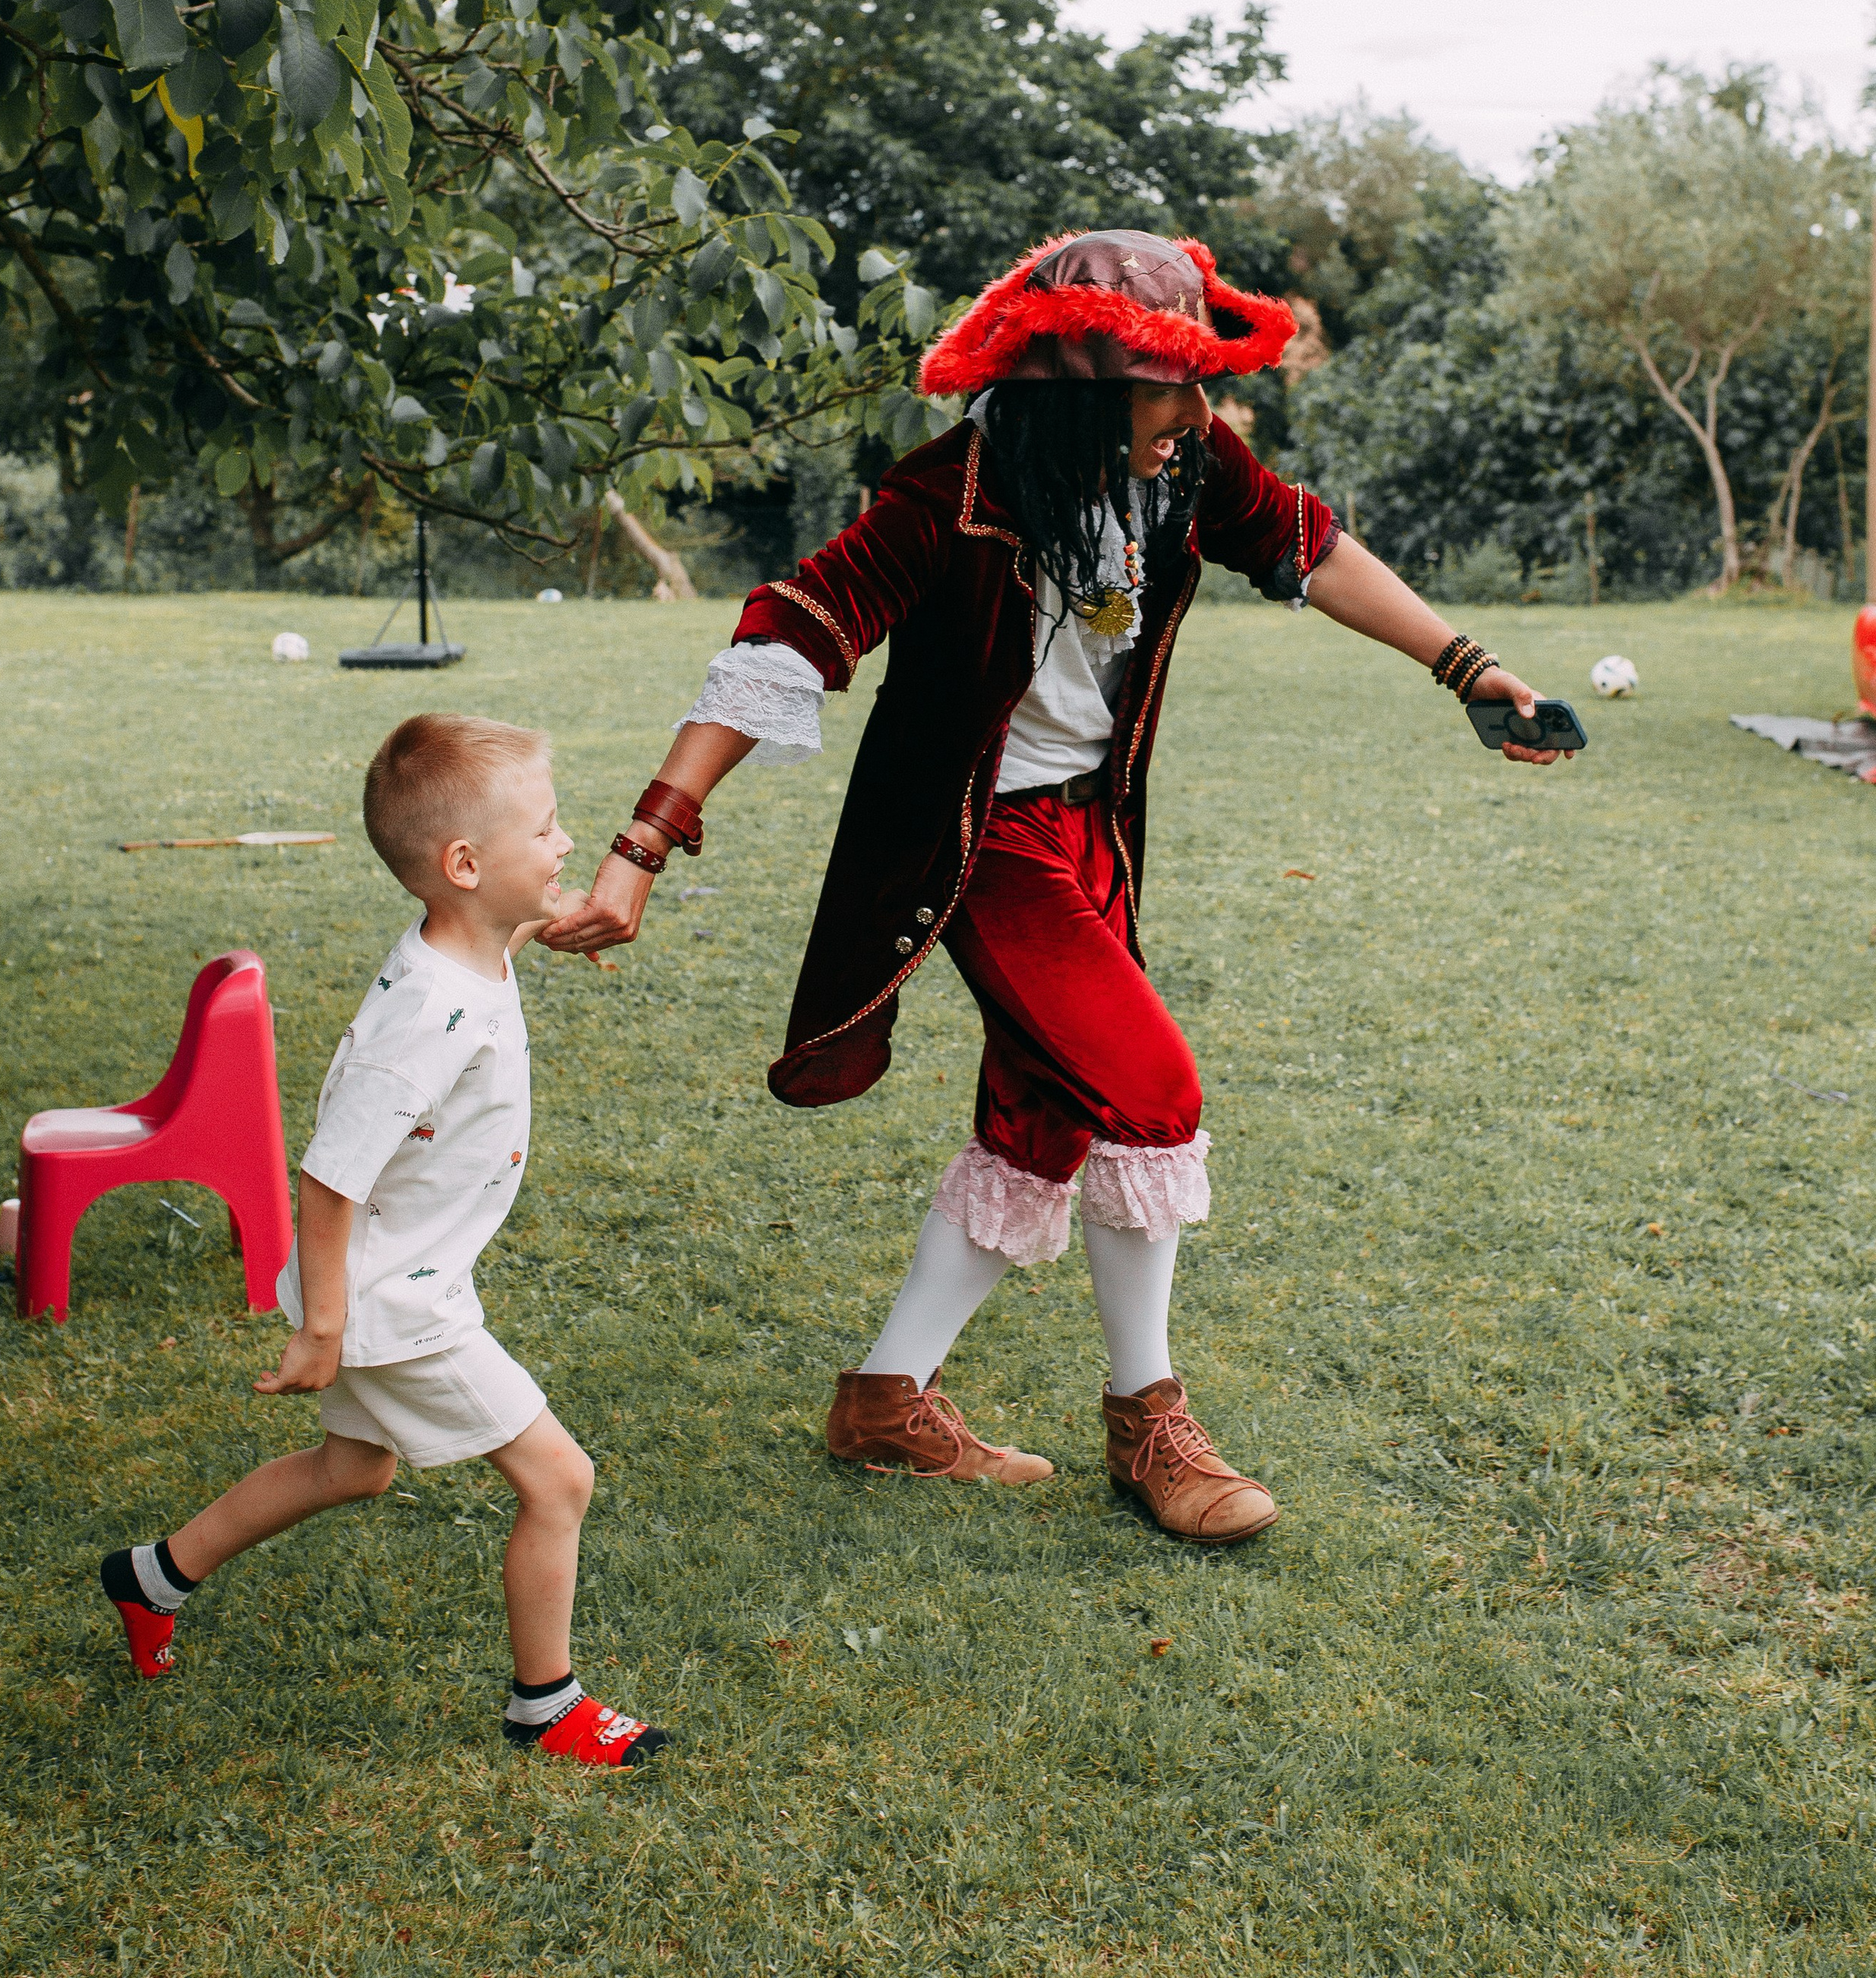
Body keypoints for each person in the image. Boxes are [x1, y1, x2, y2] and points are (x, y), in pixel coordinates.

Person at [542, 230, 1560, 1544]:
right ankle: (1150, 1422)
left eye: (1198, 387)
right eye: (1167, 388)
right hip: (982, 848)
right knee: (1151, 1092)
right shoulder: (947, 496)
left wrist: (1468, 665)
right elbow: (788, 636)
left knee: (1048, 1118)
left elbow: (1308, 543)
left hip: (1095, 837)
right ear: (1082, 390)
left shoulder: (1187, 471)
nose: (1198, 415)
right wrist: (639, 852)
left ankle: (885, 1398)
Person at [100, 711, 668, 1768]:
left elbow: (491, 944)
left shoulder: (466, 948)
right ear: (464, 863)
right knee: (559, 1480)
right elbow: (328, 1179)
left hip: (392, 1285)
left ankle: (151, 1575)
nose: (562, 843)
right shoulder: (422, 1027)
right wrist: (323, 1329)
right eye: (545, 831)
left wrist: (551, 916)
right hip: (396, 1304)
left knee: (354, 1468)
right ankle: (547, 1705)